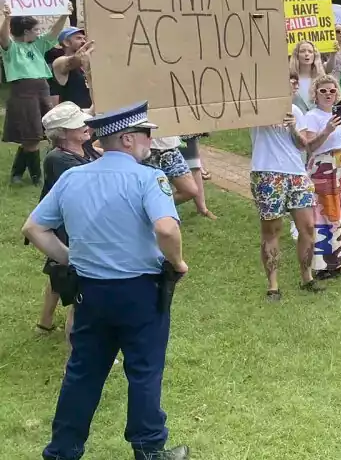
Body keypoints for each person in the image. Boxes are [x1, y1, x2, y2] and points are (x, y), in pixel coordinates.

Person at [22, 101, 190, 460]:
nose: (150, 141)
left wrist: (70, 259)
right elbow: (165, 227)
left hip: (90, 291)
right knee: (144, 370)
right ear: (128, 139)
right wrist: (177, 261)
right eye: (146, 134)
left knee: (83, 373)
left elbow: (34, 228)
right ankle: (148, 449)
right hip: (140, 291)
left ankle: (62, 451)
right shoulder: (149, 178)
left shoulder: (72, 176)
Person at [33, 102, 99, 340]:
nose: (85, 125)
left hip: (71, 224)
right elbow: (87, 183)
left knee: (58, 272)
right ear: (62, 134)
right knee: (76, 283)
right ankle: (80, 344)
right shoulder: (58, 159)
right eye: (77, 123)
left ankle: (45, 323)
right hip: (67, 227)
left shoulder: (84, 147)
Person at [249, 107, 327, 300]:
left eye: (294, 83)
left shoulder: (295, 111)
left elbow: (303, 146)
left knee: (308, 227)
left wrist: (293, 127)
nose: (291, 86)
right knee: (272, 230)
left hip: (296, 173)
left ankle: (307, 278)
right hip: (267, 172)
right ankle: (273, 286)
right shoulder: (256, 106)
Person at [298, 74, 341, 275]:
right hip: (325, 167)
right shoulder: (311, 116)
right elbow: (310, 146)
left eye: (332, 91)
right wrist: (327, 131)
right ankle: (327, 264)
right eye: (323, 91)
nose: (328, 94)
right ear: (315, 94)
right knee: (328, 213)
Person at [2, 2, 70, 185]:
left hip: (42, 89)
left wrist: (64, 15)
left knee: (37, 133)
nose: (38, 33)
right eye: (35, 30)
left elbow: (52, 34)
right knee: (31, 134)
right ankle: (36, 176)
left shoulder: (37, 45)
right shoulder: (12, 48)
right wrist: (7, 18)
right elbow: (3, 38)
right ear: (25, 32)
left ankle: (17, 173)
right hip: (23, 91)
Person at [145, 135, 216, 220]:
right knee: (149, 190)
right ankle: (151, 213)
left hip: (172, 146)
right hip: (148, 149)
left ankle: (151, 208)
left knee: (190, 190)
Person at [46, 26, 92, 109]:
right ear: (66, 42)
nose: (84, 41)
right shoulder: (59, 62)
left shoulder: (86, 63)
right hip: (72, 117)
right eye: (78, 38)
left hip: (89, 114)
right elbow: (74, 60)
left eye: (84, 39)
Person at [290, 41, 326, 112]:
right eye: (302, 51)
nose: (307, 54)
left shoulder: (321, 79)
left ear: (315, 55)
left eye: (310, 51)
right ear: (296, 55)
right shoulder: (289, 79)